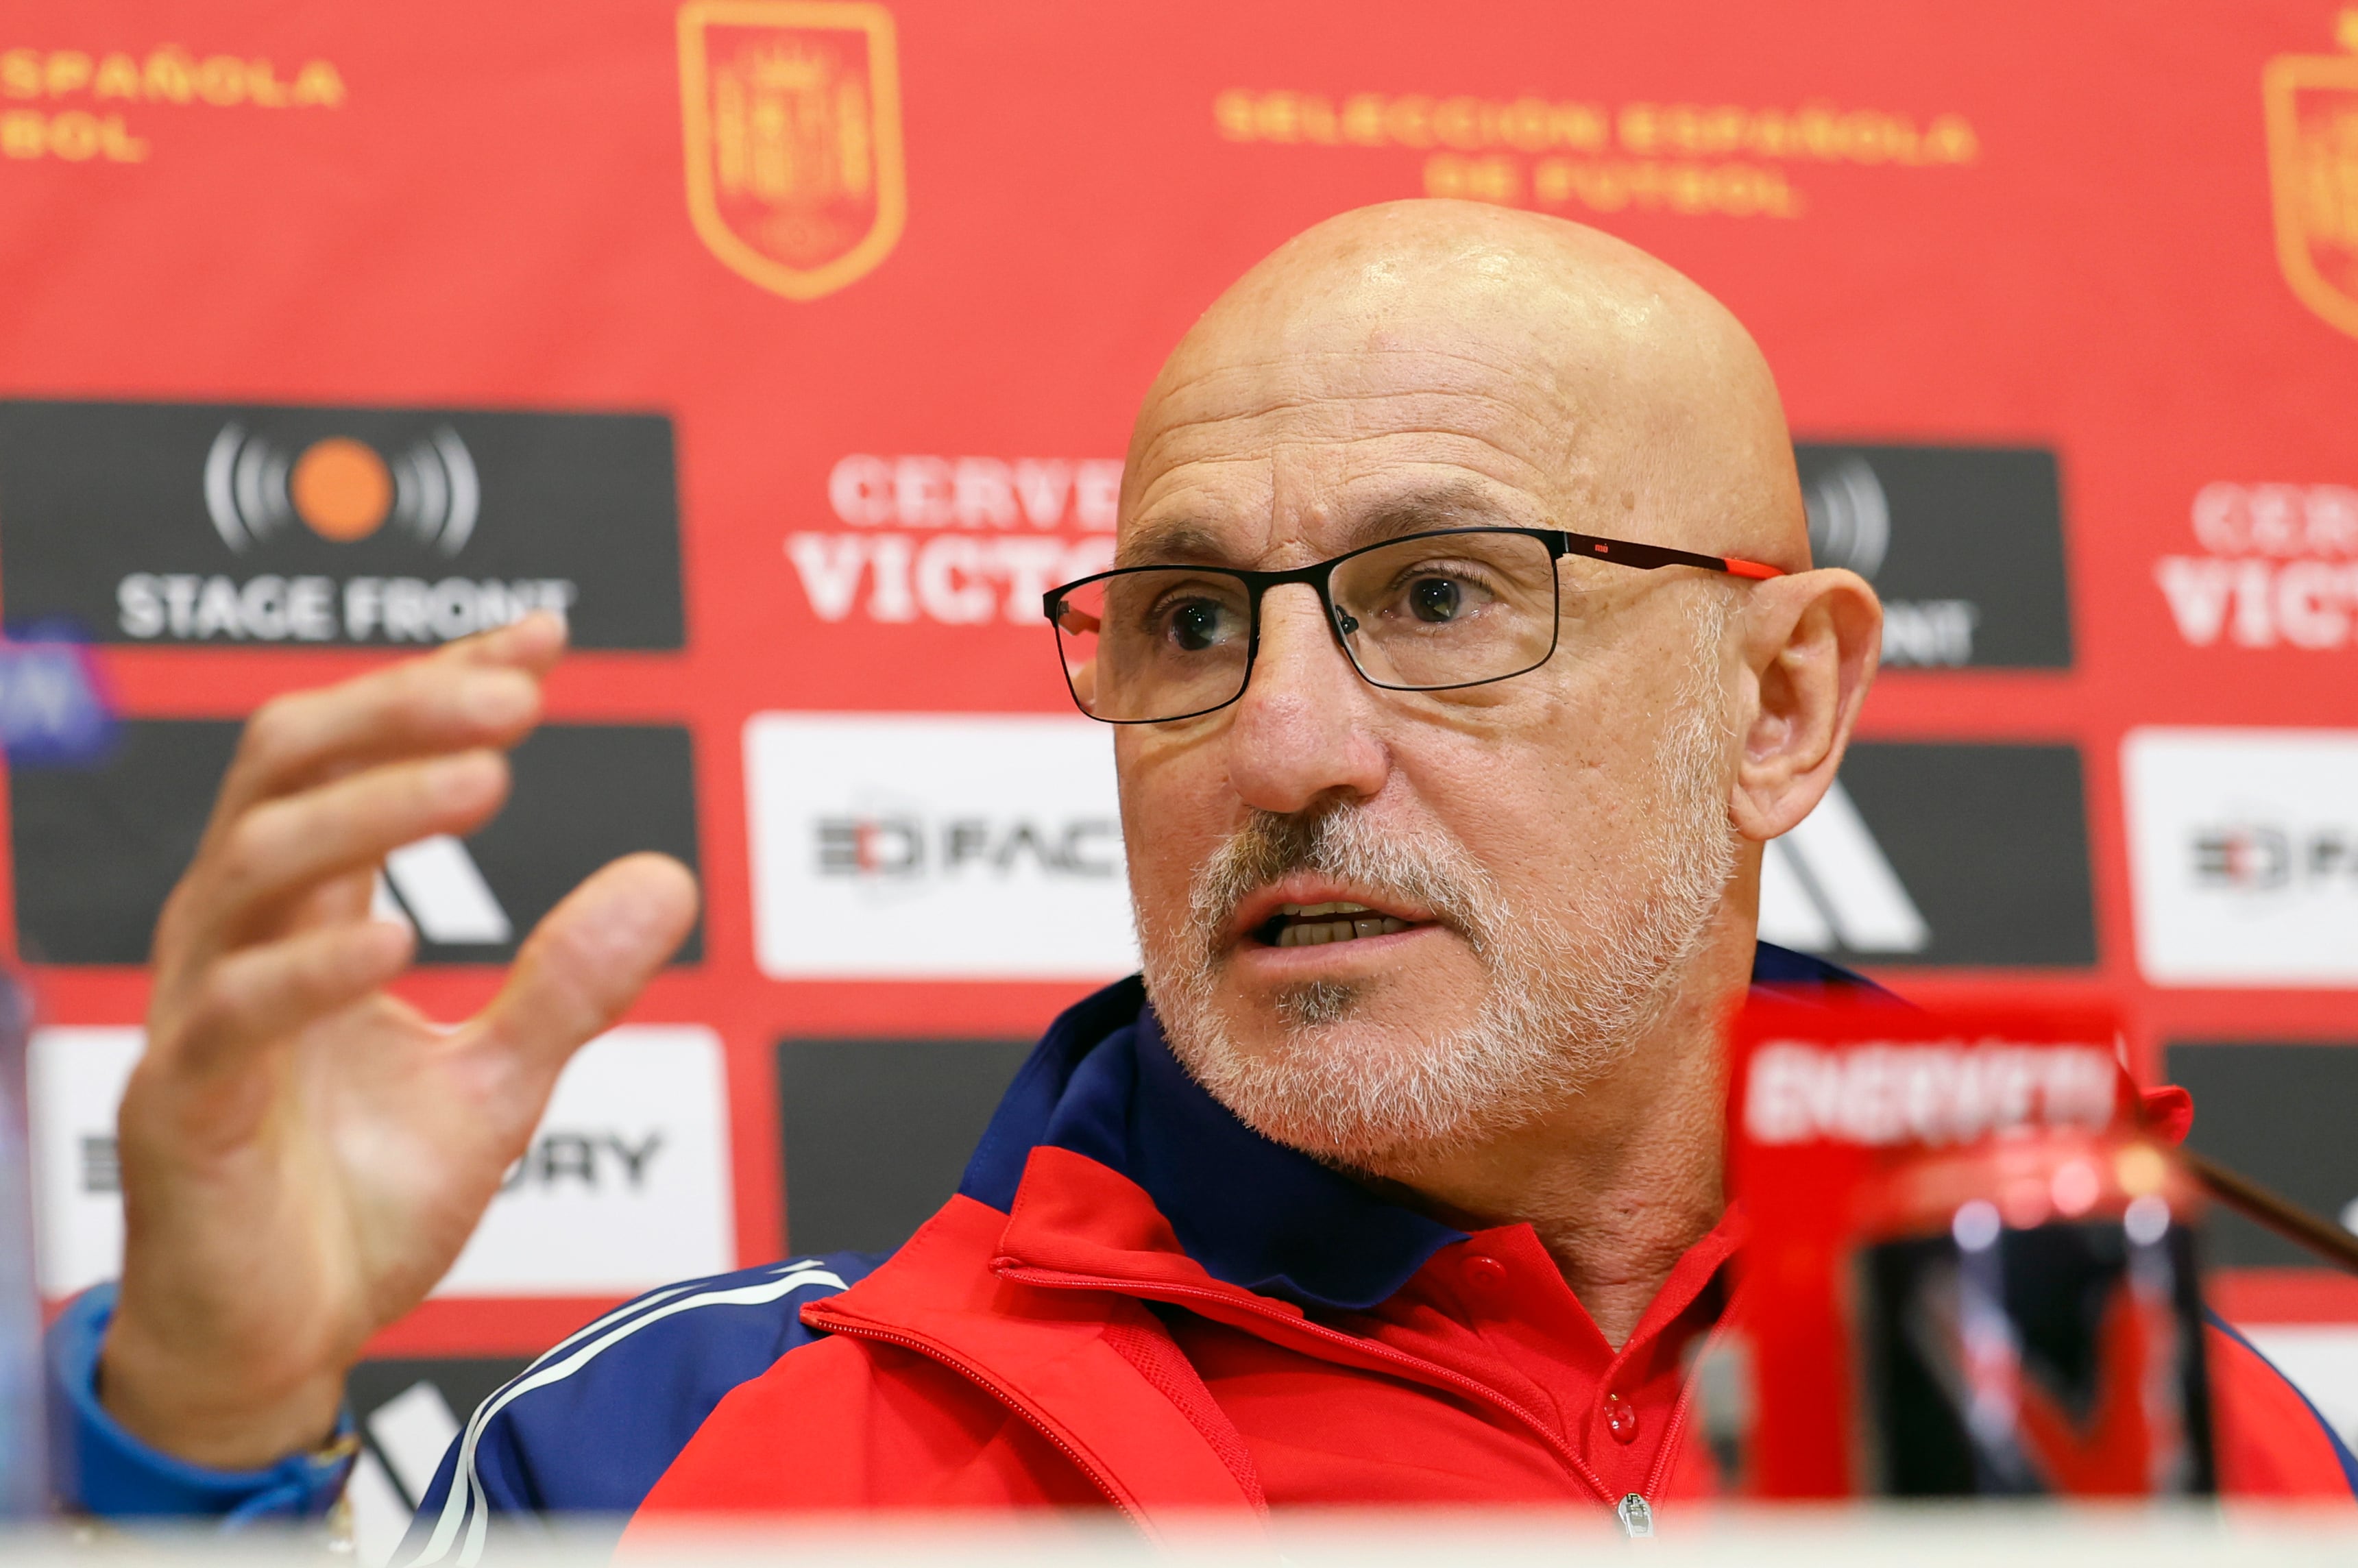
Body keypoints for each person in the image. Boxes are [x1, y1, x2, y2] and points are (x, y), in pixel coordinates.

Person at [45, 202, 2357, 1549]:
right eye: (1184, 621)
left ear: (1780, 707)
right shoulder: (687, 1462)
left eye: (1446, 596)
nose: (1277, 742)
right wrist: (201, 1442)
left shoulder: (2196, 1449)